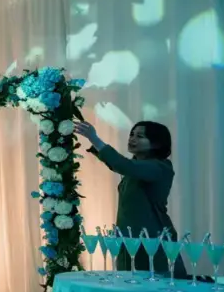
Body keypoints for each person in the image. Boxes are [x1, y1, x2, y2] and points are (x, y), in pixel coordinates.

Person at [74, 119, 187, 277]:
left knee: (154, 287)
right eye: (132, 134)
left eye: (140, 136)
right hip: (127, 239)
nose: (132, 139)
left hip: (152, 239)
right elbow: (120, 165)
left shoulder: (160, 167)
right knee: (128, 284)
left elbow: (124, 165)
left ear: (157, 143)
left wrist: (95, 139)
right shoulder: (135, 168)